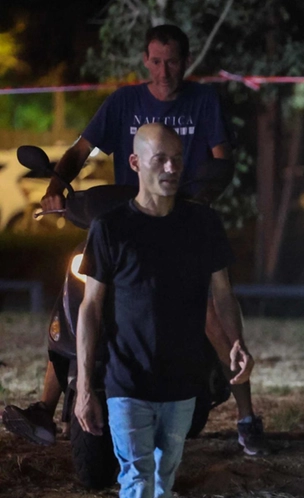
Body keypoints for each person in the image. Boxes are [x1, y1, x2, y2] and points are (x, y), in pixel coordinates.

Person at [2, 24, 267, 456]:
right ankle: (45, 408)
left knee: (211, 307)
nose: (165, 71)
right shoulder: (124, 102)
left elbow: (222, 162)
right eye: (157, 61)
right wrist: (57, 185)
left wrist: (197, 198)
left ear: (186, 61)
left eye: (173, 62)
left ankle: (246, 415)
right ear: (146, 60)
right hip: (126, 222)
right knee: (76, 293)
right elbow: (80, 149)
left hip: (181, 222)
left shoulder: (203, 102)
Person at [77, 123, 252, 498]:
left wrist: (236, 343)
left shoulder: (202, 225)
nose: (172, 168)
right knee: (137, 481)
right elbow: (90, 309)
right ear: (135, 163)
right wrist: (87, 385)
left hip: (182, 382)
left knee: (156, 490)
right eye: (161, 160)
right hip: (126, 381)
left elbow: (223, 293)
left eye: (178, 159)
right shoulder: (111, 229)